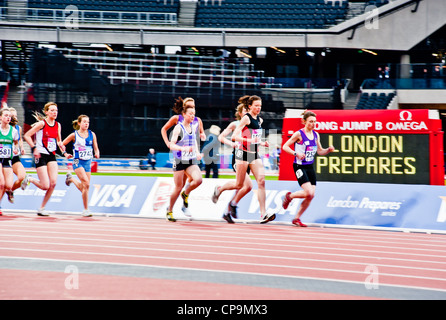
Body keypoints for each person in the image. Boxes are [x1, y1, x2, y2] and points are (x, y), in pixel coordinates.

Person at [219, 95, 275, 224]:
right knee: (239, 185)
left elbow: (255, 137)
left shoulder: (259, 120)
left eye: (260, 106)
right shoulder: (245, 118)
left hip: (254, 154)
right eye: (256, 106)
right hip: (242, 153)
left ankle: (263, 214)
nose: (258, 108)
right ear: (249, 106)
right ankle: (220, 189)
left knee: (261, 181)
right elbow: (234, 137)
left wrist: (262, 143)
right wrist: (249, 140)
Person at [281, 110, 335, 227]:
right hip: (299, 166)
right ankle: (289, 196)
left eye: (315, 122)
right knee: (308, 192)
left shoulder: (316, 135)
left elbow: (320, 151)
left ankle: (297, 218)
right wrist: (296, 153)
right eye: (311, 121)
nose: (313, 124)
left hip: (310, 167)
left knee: (311, 195)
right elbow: (285, 146)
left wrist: (328, 150)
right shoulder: (299, 134)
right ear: (304, 122)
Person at [22, 102, 68, 216]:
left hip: (51, 156)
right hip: (41, 155)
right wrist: (34, 148)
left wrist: (63, 150)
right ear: (46, 112)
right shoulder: (41, 124)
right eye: (52, 110)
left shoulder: (58, 125)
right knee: (45, 186)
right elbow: (27, 135)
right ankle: (30, 179)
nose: (54, 113)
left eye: (56, 111)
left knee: (53, 184)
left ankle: (42, 208)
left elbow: (58, 141)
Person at [212, 103, 252, 223]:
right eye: (245, 111)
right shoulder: (235, 124)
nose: (247, 113)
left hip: (250, 156)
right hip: (239, 156)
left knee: (239, 187)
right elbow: (221, 137)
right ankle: (222, 191)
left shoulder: (252, 124)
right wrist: (231, 144)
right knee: (247, 185)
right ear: (240, 113)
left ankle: (227, 212)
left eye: (248, 111)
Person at [166, 98, 203, 222]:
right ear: (184, 115)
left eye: (194, 114)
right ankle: (169, 210)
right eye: (190, 114)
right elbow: (172, 145)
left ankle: (186, 193)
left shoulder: (194, 125)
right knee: (178, 187)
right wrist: (183, 148)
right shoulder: (178, 128)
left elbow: (195, 142)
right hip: (180, 160)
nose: (193, 116)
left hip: (191, 160)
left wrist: (197, 153)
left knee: (198, 180)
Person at [161, 96, 205, 191]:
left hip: (192, 153)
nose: (192, 108)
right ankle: (181, 197)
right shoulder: (177, 118)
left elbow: (201, 133)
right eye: (190, 106)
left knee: (193, 179)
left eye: (193, 106)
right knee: (181, 185)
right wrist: (167, 143)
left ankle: (185, 196)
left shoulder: (198, 120)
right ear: (185, 107)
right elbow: (163, 129)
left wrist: (203, 135)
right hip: (180, 155)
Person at [62, 115, 100, 217]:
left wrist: (97, 153)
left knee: (85, 187)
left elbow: (96, 147)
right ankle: (86, 210)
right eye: (84, 122)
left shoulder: (92, 134)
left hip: (88, 162)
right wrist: (65, 153)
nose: (86, 124)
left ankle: (71, 179)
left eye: (88, 122)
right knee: (86, 184)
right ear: (79, 123)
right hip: (77, 161)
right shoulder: (74, 135)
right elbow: (62, 144)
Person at [0, 108, 19, 216]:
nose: (8, 117)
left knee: (8, 186)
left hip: (7, 159)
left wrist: (16, 149)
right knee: (1, 184)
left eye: (9, 116)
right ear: (0, 117)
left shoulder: (14, 131)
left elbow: (16, 142)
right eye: (6, 115)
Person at [6, 107, 26, 204]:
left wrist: (21, 147)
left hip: (14, 157)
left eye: (16, 116)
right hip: (4, 158)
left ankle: (10, 191)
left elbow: (20, 139)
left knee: (22, 177)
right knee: (3, 183)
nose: (14, 118)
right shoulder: (3, 128)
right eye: (12, 116)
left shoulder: (18, 128)